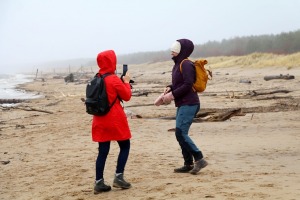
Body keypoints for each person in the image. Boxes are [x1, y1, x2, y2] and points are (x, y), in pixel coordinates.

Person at [158, 39, 208, 175]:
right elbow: (180, 83)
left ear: (183, 50)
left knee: (180, 133)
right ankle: (188, 163)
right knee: (179, 133)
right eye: (172, 49)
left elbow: (187, 84)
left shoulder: (186, 64)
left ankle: (199, 158)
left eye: (175, 49)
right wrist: (170, 87)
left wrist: (172, 95)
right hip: (183, 103)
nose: (172, 51)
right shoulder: (178, 64)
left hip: (190, 103)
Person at [92, 50, 132, 194]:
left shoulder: (96, 78)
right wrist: (126, 82)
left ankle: (98, 182)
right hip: (114, 119)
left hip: (99, 119)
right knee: (125, 146)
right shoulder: (113, 79)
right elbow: (126, 96)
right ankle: (119, 177)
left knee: (102, 151)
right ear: (112, 62)